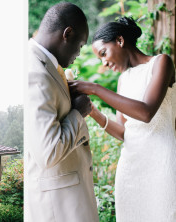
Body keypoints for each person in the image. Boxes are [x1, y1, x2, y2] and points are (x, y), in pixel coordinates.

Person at [69, 17, 176, 221]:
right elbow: (124, 132)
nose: (104, 63)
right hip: (131, 169)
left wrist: (95, 88)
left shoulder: (161, 63)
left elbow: (146, 112)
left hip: (162, 163)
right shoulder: (123, 80)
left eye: (104, 53)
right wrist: (93, 111)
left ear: (119, 40)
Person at [26, 2, 99, 222]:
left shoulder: (46, 66)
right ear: (67, 34)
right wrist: (78, 112)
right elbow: (48, 152)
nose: (79, 52)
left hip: (68, 196)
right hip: (57, 205)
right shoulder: (34, 73)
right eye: (80, 45)